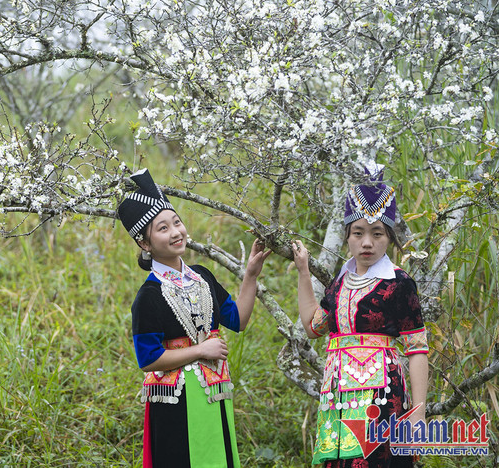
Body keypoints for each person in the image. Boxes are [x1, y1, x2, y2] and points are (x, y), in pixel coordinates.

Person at [117, 169, 271, 468]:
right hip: (174, 400)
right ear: (145, 244)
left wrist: (250, 276)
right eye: (162, 228)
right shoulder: (148, 295)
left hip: (213, 390)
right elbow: (148, 359)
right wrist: (201, 350)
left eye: (177, 222)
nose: (175, 232)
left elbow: (237, 319)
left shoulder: (202, 276)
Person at [291, 165, 429, 467]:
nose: (367, 242)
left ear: (390, 238)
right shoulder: (340, 283)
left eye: (377, 233)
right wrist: (303, 272)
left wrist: (418, 411)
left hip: (382, 397)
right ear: (348, 237)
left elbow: (417, 349)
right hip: (338, 395)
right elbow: (315, 327)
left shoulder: (399, 282)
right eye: (358, 233)